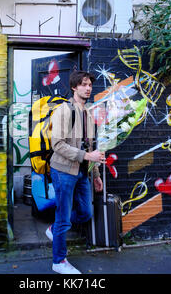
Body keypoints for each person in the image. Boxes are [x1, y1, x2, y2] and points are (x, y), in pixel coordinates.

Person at [46, 70, 105, 274]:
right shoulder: (63, 110)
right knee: (63, 217)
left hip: (82, 172)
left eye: (89, 85)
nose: (88, 88)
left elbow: (90, 147)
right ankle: (59, 261)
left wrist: (96, 175)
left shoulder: (88, 113)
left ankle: (54, 229)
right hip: (63, 171)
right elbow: (58, 145)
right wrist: (87, 157)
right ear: (74, 87)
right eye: (84, 85)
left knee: (86, 213)